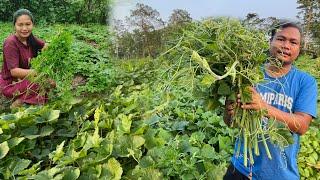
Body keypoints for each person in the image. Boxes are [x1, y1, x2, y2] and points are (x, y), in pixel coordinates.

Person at [223, 20, 318, 180]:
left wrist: (264, 107)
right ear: (270, 42)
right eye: (281, 39)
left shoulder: (305, 81)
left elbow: (301, 126)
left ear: (298, 49)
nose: (286, 46)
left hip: (280, 174)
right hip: (240, 169)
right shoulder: (248, 74)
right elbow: (230, 122)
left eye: (293, 42)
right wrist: (229, 111)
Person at [0, 9, 48, 108]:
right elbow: (14, 72)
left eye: (28, 24)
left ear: (33, 25)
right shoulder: (10, 43)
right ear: (14, 26)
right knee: (41, 84)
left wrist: (50, 49)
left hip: (24, 78)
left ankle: (28, 100)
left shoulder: (30, 38)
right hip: (11, 83)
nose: (24, 28)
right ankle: (17, 103)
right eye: (20, 25)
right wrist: (38, 72)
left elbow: (45, 46)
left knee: (50, 82)